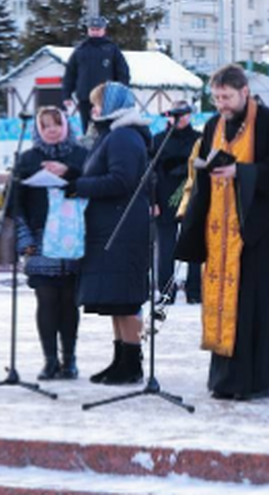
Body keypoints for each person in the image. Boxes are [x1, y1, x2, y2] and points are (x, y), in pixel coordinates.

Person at [174, 65, 269, 400]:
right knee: (220, 306)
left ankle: (253, 381)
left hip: (258, 233)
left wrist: (241, 172)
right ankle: (224, 379)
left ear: (244, 92)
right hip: (219, 232)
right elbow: (200, 166)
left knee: (252, 306)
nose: (221, 105)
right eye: (216, 98)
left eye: (226, 97)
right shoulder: (213, 125)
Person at [74, 82, 152, 385]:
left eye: (97, 104)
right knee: (117, 299)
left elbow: (121, 181)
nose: (92, 110)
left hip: (123, 229)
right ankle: (121, 358)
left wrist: (79, 186)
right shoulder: (112, 135)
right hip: (112, 226)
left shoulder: (123, 137)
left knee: (127, 299)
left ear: (111, 106)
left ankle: (131, 363)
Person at [14, 106, 88, 380]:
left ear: (65, 125)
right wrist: (24, 239)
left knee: (69, 301)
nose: (52, 130)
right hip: (40, 237)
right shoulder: (28, 158)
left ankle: (69, 360)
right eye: (46, 126)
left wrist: (68, 172)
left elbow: (92, 185)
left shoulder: (81, 155)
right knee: (45, 299)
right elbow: (15, 202)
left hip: (72, 236)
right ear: (39, 130)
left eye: (57, 124)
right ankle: (49, 360)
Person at [151, 102, 201, 305]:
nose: (179, 118)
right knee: (166, 248)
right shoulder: (159, 140)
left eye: (184, 114)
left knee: (195, 246)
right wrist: (153, 201)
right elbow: (151, 173)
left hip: (193, 197)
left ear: (189, 116)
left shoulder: (199, 139)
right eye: (174, 114)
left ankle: (194, 291)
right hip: (165, 198)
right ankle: (166, 292)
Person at [63, 16, 130, 134]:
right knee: (87, 129)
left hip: (106, 98)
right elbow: (70, 73)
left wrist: (121, 92)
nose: (95, 32)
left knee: (106, 128)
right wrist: (67, 95)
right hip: (85, 97)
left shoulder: (111, 49)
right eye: (92, 29)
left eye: (97, 29)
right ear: (88, 31)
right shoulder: (80, 50)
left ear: (104, 30)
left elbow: (123, 73)